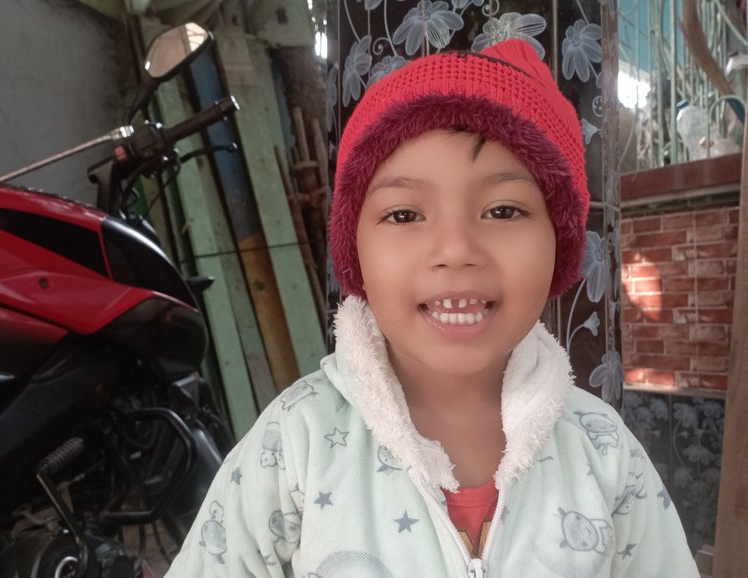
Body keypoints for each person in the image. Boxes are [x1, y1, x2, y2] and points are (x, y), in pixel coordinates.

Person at [164, 39, 699, 577]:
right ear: (355, 252)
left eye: (503, 210)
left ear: (559, 245)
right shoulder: (294, 443)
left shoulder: (602, 450)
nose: (456, 249)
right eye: (404, 215)